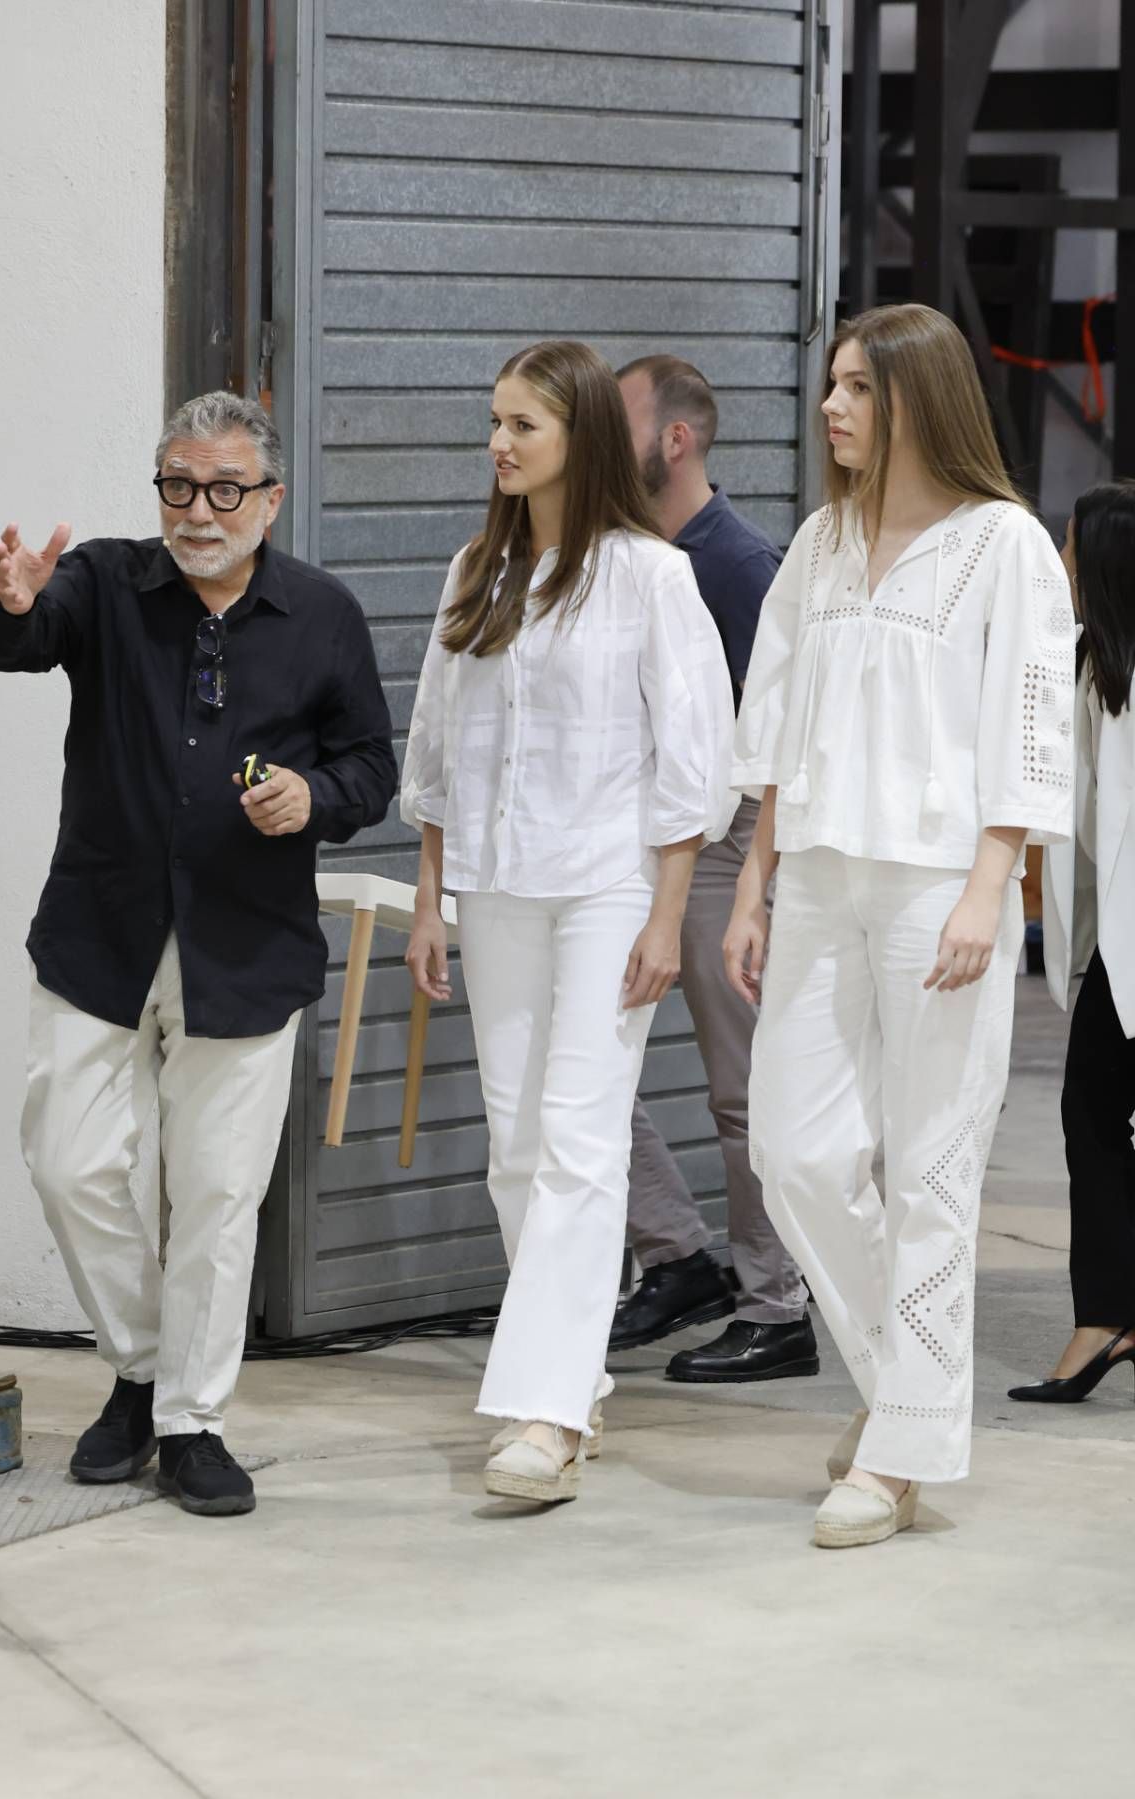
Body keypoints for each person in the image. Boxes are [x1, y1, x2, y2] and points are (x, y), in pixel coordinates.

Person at [0, 392, 396, 1516]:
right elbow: (18, 635)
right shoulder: (106, 581)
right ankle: (146, 1365)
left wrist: (311, 796)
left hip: (244, 946)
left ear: (271, 497)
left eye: (224, 490)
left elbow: (369, 768)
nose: (198, 512)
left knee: (215, 1191)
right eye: (177, 485)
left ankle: (189, 1419)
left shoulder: (322, 614)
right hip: (100, 934)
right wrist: (10, 602)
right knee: (68, 1159)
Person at [723, 303, 1074, 1548]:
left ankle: (897, 1450)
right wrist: (757, 879)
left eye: (858, 388)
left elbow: (1029, 726)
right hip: (817, 874)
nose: (833, 408)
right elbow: (772, 722)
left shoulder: (1005, 545)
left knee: (932, 1163)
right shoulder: (822, 542)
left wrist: (995, 887)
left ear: (920, 396)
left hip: (941, 886)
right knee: (795, 1150)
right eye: (832, 386)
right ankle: (901, 1401)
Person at [401, 340, 735, 1504]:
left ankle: (542, 1411)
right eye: (493, 422)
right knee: (518, 1142)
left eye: (522, 427)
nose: (498, 444)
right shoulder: (472, 572)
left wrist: (666, 914)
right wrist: (433, 898)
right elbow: (437, 754)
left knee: (584, 1134)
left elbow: (694, 768)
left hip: (607, 889)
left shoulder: (651, 577)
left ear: (579, 438)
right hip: (494, 887)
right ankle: (574, 1367)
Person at [607, 355, 815, 1382]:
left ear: (674, 439)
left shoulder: (736, 566)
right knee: (588, 1065)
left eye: (621, 420)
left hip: (724, 842)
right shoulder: (629, 553)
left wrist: (752, 885)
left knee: (742, 1092)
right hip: (639, 842)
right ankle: (677, 1254)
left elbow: (778, 739)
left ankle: (779, 1306)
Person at [1010, 482, 1135, 1404]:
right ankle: (1110, 1314)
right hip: (1116, 953)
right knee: (1092, 1118)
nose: (1060, 561)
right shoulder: (1097, 668)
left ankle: (1104, 1321)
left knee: (1092, 1120)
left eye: (1069, 545)